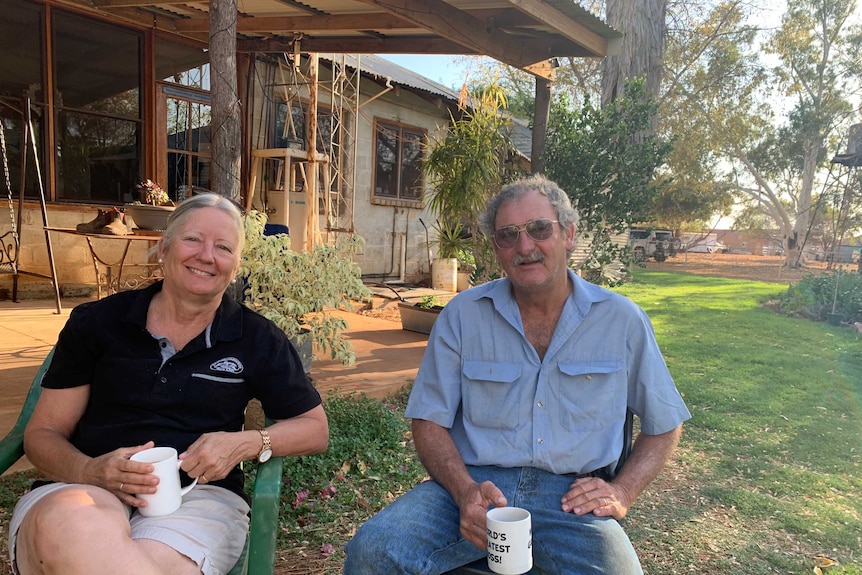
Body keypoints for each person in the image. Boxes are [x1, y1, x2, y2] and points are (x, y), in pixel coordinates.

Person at [344, 174, 691, 574]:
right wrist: (463, 490)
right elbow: (428, 421)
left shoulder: (621, 321)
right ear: (496, 248)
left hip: (571, 499)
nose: (525, 246)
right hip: (476, 488)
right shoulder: (462, 316)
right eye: (508, 235)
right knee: (373, 551)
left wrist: (623, 491)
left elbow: (665, 424)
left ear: (569, 234)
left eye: (539, 229)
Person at [8, 193, 329, 575]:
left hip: (197, 497)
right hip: (83, 485)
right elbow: (42, 434)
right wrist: (90, 470)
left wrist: (244, 442)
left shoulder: (257, 339)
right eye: (193, 239)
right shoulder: (98, 322)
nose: (207, 255)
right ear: (163, 248)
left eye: (223, 247)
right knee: (76, 529)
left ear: (235, 265)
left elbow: (315, 429)